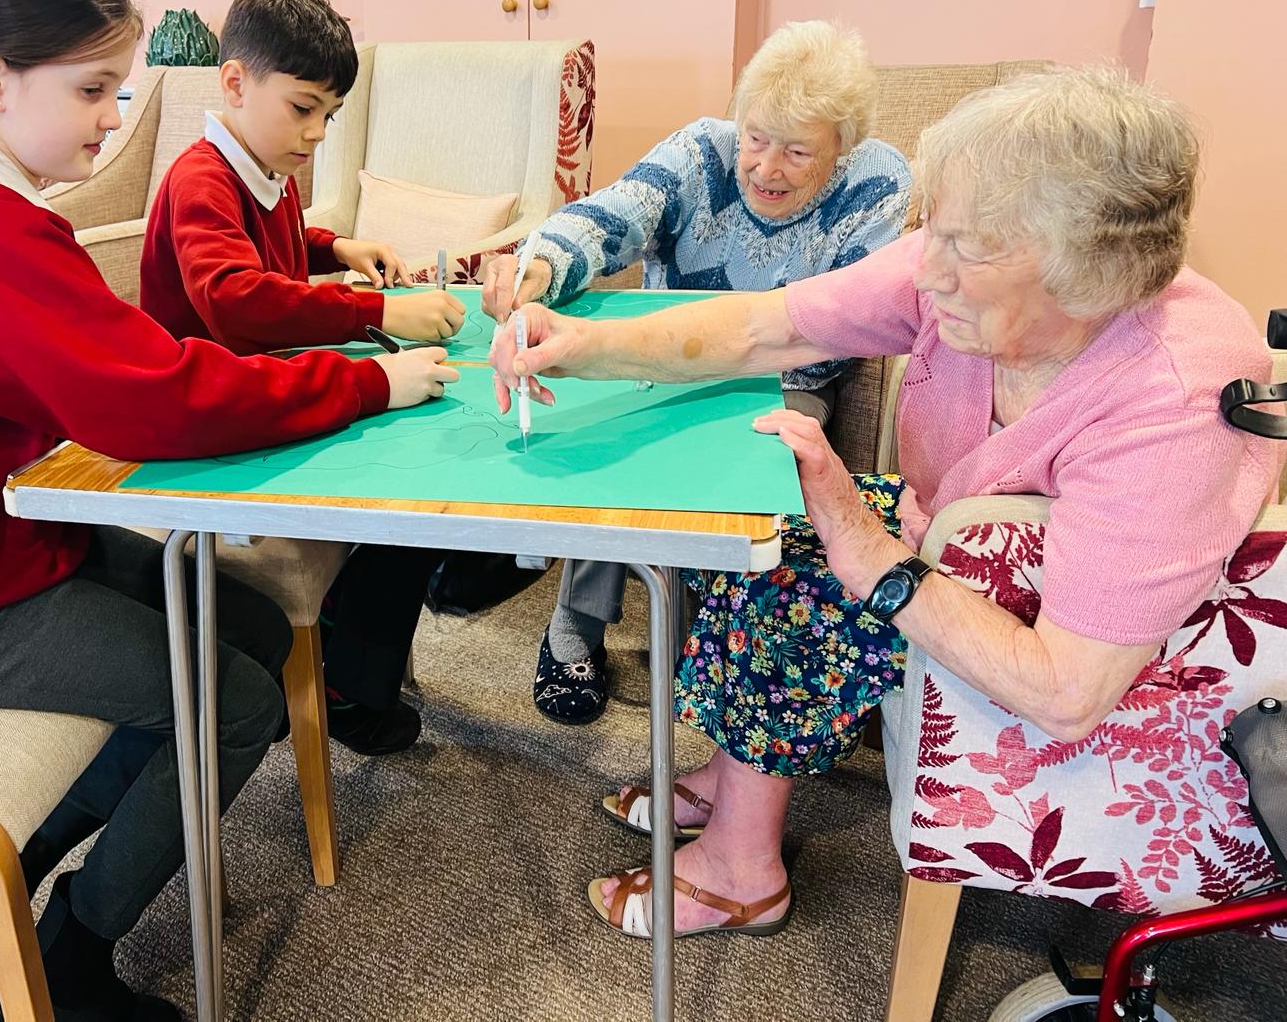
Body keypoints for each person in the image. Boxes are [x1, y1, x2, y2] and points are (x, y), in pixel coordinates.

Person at [0, 0, 456, 1021]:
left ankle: (6, 883)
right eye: (95, 88)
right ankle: (64, 953)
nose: (116, 116)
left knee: (240, 625)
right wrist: (369, 384)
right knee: (234, 704)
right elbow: (156, 397)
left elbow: (135, 373)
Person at [488, 66, 1286, 938]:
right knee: (764, 532)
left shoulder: (1171, 396)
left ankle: (744, 872)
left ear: (1092, 269)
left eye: (967, 248)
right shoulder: (969, 278)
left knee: (802, 588)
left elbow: (1068, 691)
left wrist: (869, 554)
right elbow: (771, 325)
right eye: (931, 233)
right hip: (950, 545)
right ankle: (734, 776)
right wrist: (580, 345)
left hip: (1102, 660)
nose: (926, 272)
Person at [476, 19, 911, 724]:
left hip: (788, 372)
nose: (766, 168)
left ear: (842, 148)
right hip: (663, 359)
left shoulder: (879, 182)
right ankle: (572, 630)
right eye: (757, 138)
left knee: (757, 458)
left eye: (798, 151)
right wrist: (543, 266)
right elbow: (611, 215)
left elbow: (848, 323)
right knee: (617, 440)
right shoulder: (700, 149)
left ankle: (720, 646)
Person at [139, 0, 464, 756]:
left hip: (259, 397)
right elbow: (236, 300)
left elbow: (273, 254)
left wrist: (335, 248)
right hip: (217, 429)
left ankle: (361, 657)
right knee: (407, 507)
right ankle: (348, 687)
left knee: (420, 464)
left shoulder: (259, 166)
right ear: (235, 81)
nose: (317, 132)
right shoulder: (200, 179)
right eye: (303, 107)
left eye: (329, 115)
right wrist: (374, 311)